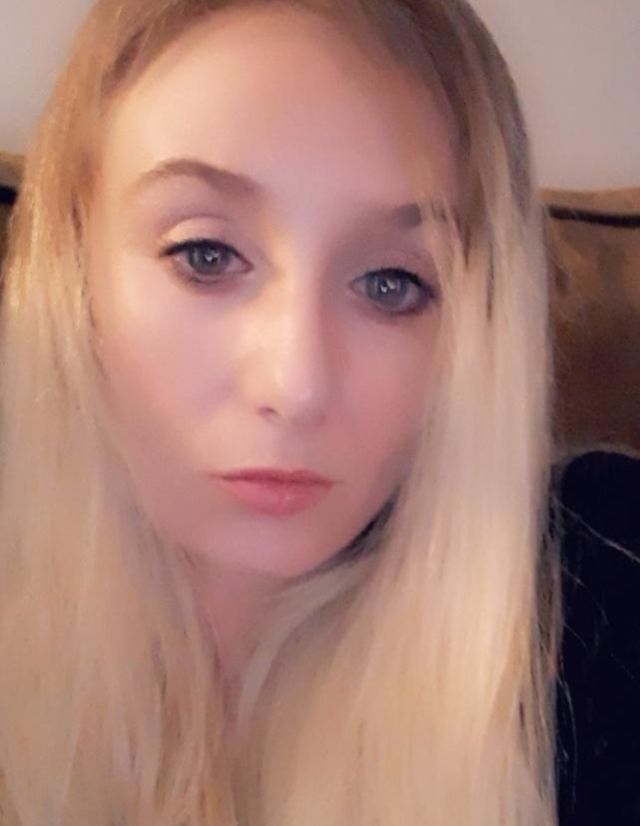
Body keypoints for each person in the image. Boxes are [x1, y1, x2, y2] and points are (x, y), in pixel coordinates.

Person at [0, 1, 558, 824]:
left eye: (391, 284)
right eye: (206, 256)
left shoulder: (600, 616)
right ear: (72, 271)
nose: (297, 385)